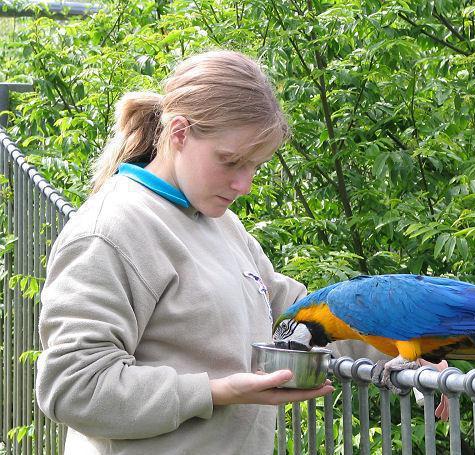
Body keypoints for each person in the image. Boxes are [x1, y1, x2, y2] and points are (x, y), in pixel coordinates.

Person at [35, 50, 349, 455]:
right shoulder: (109, 230)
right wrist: (214, 392)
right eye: (230, 161)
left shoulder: (218, 221)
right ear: (179, 132)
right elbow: (73, 387)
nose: (244, 184)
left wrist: (404, 351)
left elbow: (295, 311)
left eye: (254, 166)